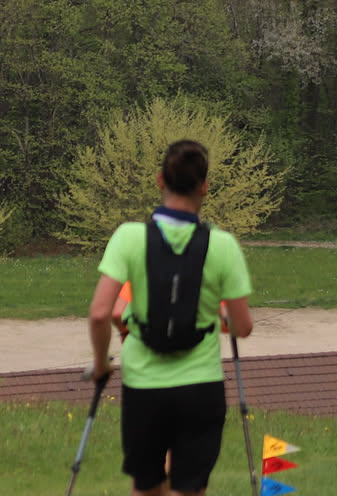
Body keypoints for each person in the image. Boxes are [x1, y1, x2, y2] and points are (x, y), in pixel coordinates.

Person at [87, 139, 254, 496]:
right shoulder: (224, 246)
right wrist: (218, 314)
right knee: (189, 490)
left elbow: (101, 312)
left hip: (144, 388)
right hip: (200, 388)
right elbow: (242, 327)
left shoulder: (128, 238)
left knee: (147, 488)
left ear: (160, 180)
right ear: (205, 187)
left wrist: (101, 364)